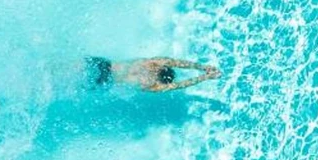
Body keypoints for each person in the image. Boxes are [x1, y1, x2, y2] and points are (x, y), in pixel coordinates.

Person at [86, 56, 219, 92]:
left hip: (104, 66)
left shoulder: (150, 63)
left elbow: (175, 62)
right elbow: (180, 85)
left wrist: (202, 68)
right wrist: (204, 76)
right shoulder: (152, 85)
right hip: (103, 81)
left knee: (67, 69)